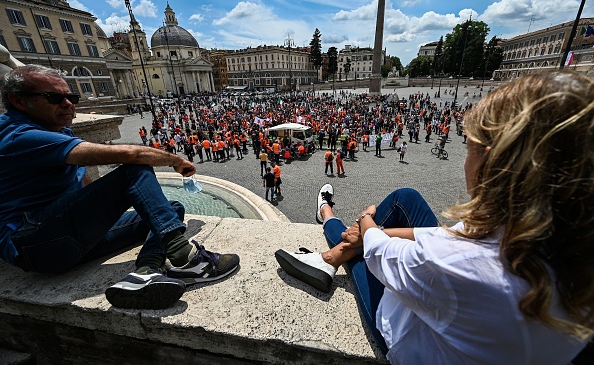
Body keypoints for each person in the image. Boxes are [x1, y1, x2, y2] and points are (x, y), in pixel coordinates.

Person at [275, 72, 594, 364]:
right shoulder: (556, 236)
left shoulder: (463, 267)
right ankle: (332, 240)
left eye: (469, 147)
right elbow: (454, 236)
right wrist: (377, 232)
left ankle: (327, 231)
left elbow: (378, 251)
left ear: (491, 161)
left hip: (402, 336)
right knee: (406, 198)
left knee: (358, 248)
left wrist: (368, 220)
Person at [0, 65, 240, 310]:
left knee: (171, 209)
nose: (68, 104)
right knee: (134, 170)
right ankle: (186, 259)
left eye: (71, 97)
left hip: (66, 241)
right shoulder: (19, 136)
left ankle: (147, 271)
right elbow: (131, 154)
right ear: (18, 100)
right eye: (54, 98)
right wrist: (175, 160)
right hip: (35, 243)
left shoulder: (55, 130)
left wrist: (102, 207)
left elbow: (84, 187)